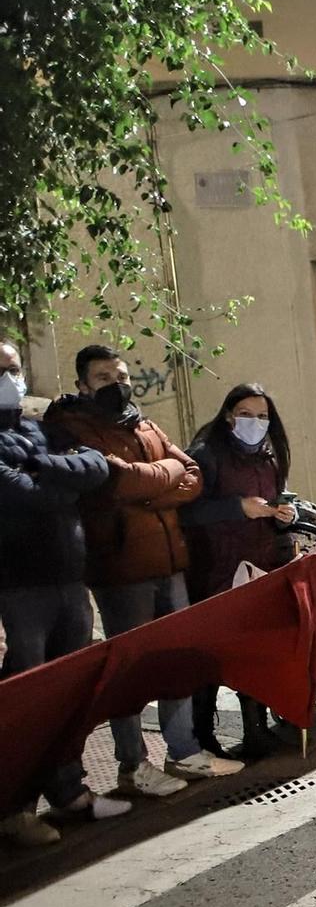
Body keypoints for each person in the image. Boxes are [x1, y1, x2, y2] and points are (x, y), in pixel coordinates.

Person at [47, 345, 242, 791]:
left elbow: (192, 475)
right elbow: (113, 482)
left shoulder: (142, 422)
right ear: (81, 385)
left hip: (169, 560)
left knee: (176, 660)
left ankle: (184, 751)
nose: (117, 385)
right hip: (120, 568)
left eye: (120, 375)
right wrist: (161, 477)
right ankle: (133, 765)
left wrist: (151, 484)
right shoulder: (72, 428)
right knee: (128, 671)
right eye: (102, 378)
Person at [0, 342, 127, 845]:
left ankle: (68, 790)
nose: (10, 378)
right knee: (26, 701)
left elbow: (95, 467)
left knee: (68, 696)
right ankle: (13, 808)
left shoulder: (40, 426)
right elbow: (16, 493)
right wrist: (59, 476)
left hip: (69, 579)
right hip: (17, 588)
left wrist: (48, 472)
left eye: (13, 369)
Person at [184, 384, 298, 760]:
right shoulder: (206, 454)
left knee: (256, 649)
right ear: (229, 415)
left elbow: (276, 500)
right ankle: (203, 737)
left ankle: (256, 728)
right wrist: (237, 508)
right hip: (213, 568)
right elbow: (186, 512)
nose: (255, 422)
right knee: (212, 656)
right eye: (246, 414)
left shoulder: (269, 456)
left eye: (262, 415)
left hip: (258, 565)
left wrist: (284, 515)